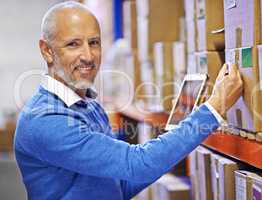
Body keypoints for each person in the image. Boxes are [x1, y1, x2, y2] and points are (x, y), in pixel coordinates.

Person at [14, 1, 243, 200]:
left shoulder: (89, 105)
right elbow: (136, 165)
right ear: (46, 50)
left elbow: (118, 185)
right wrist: (215, 106)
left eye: (94, 42)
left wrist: (173, 147)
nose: (88, 56)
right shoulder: (45, 119)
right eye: (73, 44)